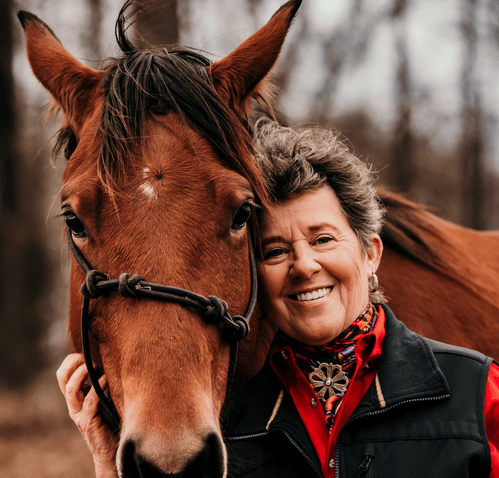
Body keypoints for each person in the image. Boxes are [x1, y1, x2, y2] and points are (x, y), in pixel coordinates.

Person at [57, 119, 499, 477]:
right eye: (274, 251)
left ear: (370, 254)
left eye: (323, 239)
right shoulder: (222, 431)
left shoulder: (476, 390)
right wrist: (108, 465)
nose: (303, 265)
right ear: (251, 275)